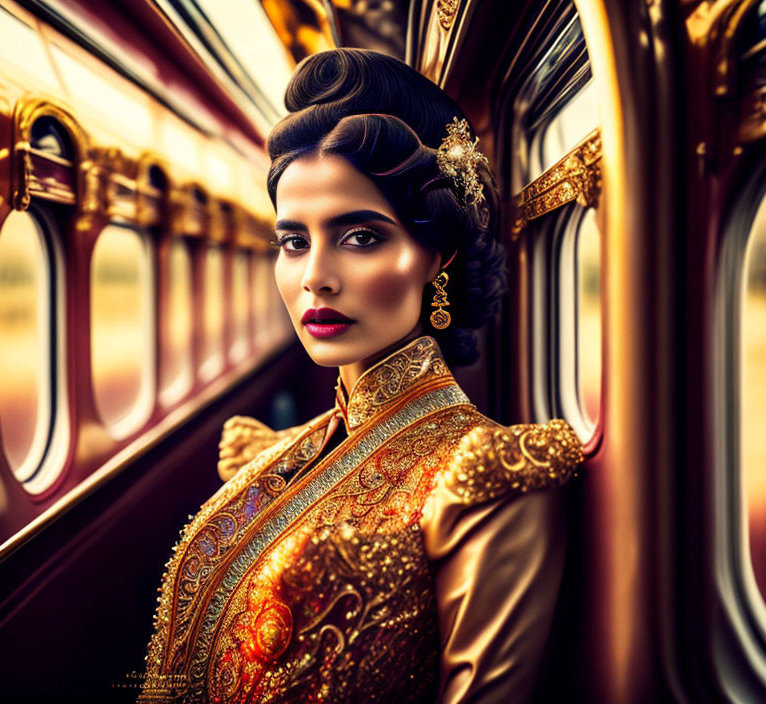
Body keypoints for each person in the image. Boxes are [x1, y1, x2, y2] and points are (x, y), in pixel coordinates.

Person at [138, 48, 582, 704]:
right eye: (294, 242)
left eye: (361, 237)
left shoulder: (485, 483)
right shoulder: (282, 456)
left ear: (436, 255)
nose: (314, 275)